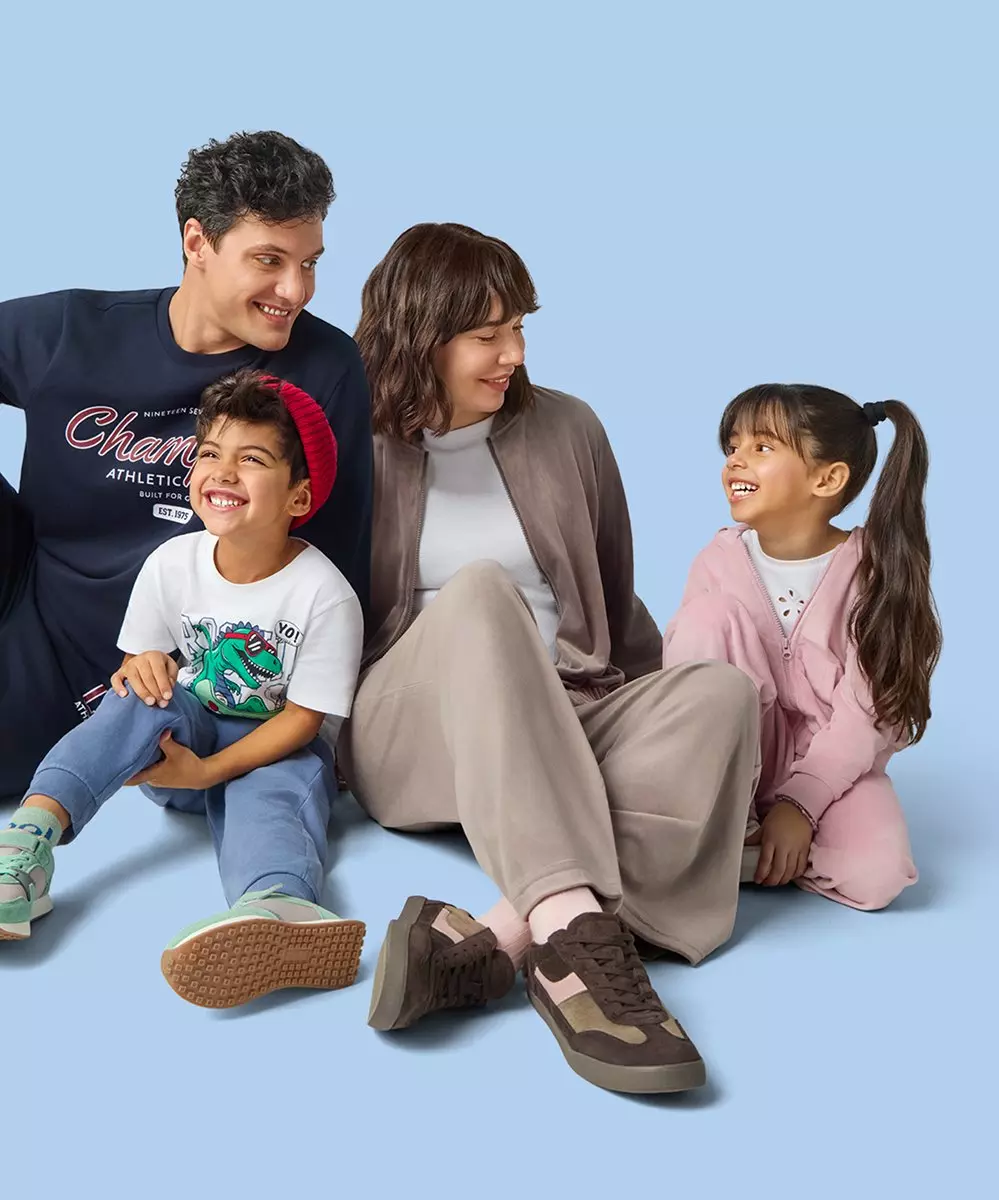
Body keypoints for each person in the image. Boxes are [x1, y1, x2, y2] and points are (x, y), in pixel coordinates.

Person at [338, 222, 760, 1095]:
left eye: (520, 329)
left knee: (721, 695)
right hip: (407, 726)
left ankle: (493, 942)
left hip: (559, 704)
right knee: (483, 592)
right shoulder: (353, 446)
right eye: (487, 336)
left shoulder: (568, 427)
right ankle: (575, 946)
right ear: (421, 334)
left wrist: (666, 728)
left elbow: (612, 589)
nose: (513, 355)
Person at [0, 130, 372, 806]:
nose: (296, 289)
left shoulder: (325, 370)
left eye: (310, 263)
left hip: (160, 681)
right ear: (196, 243)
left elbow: (329, 565)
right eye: (269, 260)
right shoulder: (73, 331)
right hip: (27, 606)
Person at [1, 370, 366, 1008]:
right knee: (140, 698)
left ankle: (276, 908)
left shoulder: (324, 594)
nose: (222, 472)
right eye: (208, 454)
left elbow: (304, 719)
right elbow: (139, 656)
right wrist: (141, 669)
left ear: (299, 497)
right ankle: (27, 844)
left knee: (273, 795)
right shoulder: (172, 562)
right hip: (180, 754)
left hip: (268, 749)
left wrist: (211, 772)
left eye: (251, 459)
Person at [663, 383, 942, 910]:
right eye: (732, 447)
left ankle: (752, 854)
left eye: (762, 448)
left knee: (878, 876)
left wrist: (800, 803)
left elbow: (869, 713)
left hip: (834, 766)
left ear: (827, 478)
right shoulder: (717, 561)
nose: (736, 461)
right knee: (706, 617)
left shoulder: (875, 573)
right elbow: (688, 683)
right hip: (725, 767)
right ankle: (734, 830)